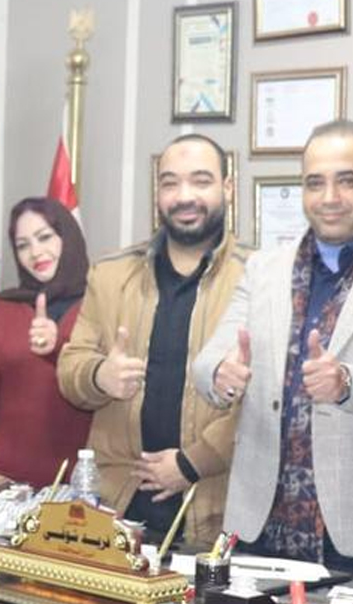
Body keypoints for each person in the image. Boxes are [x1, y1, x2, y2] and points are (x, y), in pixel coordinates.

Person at [194, 120, 353, 581]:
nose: (329, 197)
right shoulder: (263, 269)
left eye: (347, 180)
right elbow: (205, 364)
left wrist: (349, 385)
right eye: (315, 183)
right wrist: (221, 374)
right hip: (261, 519)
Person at [56, 134, 245, 549]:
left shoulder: (258, 278)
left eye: (200, 181)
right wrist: (99, 375)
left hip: (214, 505)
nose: (184, 196)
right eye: (170, 183)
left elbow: (269, 405)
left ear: (228, 188)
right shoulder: (109, 274)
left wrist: (191, 463)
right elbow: (70, 369)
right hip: (118, 507)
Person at [0, 197, 93, 487]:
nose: (35, 252)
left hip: (82, 472)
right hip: (4, 472)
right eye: (23, 245)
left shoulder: (101, 303)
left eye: (44, 237)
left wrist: (59, 346)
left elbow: (104, 382)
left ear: (68, 237)